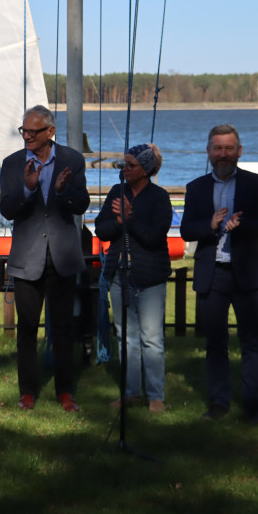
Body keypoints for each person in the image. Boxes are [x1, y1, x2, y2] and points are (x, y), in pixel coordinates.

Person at [0, 105, 89, 412]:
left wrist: (63, 192)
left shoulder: (72, 160)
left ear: (50, 131)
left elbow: (81, 205)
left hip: (62, 256)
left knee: (63, 327)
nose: (27, 136)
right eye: (24, 131)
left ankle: (65, 391)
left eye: (33, 131)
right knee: (26, 328)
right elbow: (8, 210)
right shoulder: (13, 164)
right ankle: (28, 391)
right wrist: (28, 189)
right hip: (27, 258)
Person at [180, 125, 258, 424]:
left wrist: (240, 225)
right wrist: (211, 224)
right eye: (217, 148)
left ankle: (252, 407)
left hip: (247, 273)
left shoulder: (256, 184)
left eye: (229, 148)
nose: (223, 154)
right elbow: (185, 231)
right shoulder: (196, 188)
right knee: (215, 344)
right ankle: (219, 403)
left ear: (239, 151)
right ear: (208, 152)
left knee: (252, 344)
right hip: (213, 275)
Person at [94, 144, 172, 414]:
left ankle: (156, 395)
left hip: (149, 278)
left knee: (151, 338)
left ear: (146, 169)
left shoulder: (159, 197)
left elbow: (154, 236)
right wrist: (118, 222)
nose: (123, 169)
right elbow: (101, 230)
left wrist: (130, 218)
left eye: (130, 165)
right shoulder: (118, 192)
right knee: (126, 337)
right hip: (119, 274)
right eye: (122, 164)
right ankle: (131, 393)